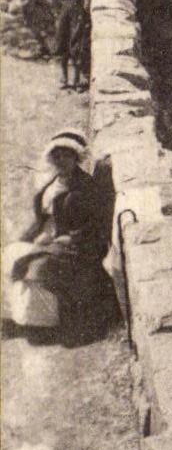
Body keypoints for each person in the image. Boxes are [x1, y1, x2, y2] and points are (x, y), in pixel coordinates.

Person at [1, 129, 109, 335]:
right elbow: (41, 218)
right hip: (47, 239)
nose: (60, 159)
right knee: (9, 255)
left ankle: (45, 325)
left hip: (75, 247)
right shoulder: (52, 184)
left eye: (66, 155)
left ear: (76, 157)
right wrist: (26, 238)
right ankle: (20, 317)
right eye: (56, 155)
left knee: (35, 267)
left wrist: (61, 240)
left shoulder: (85, 187)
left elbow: (95, 226)